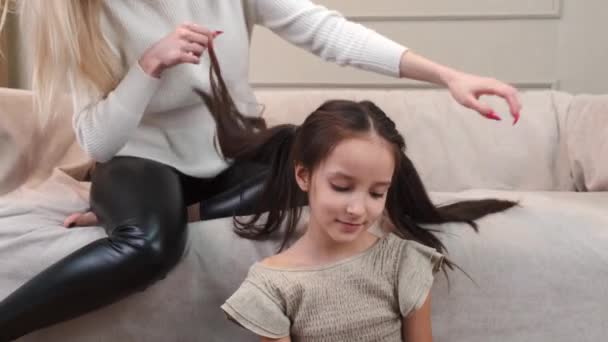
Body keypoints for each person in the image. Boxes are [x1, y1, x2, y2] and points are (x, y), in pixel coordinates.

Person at [0, 0, 521, 340]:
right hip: (139, 160)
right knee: (151, 244)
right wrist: (148, 67)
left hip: (230, 154)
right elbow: (98, 140)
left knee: (322, 163)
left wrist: (447, 76)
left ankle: (182, 209)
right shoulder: (76, 11)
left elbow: (324, 31)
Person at [196, 45, 517, 341]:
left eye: (377, 194)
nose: (357, 209)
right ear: (303, 175)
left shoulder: (403, 262)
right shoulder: (272, 285)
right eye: (342, 187)